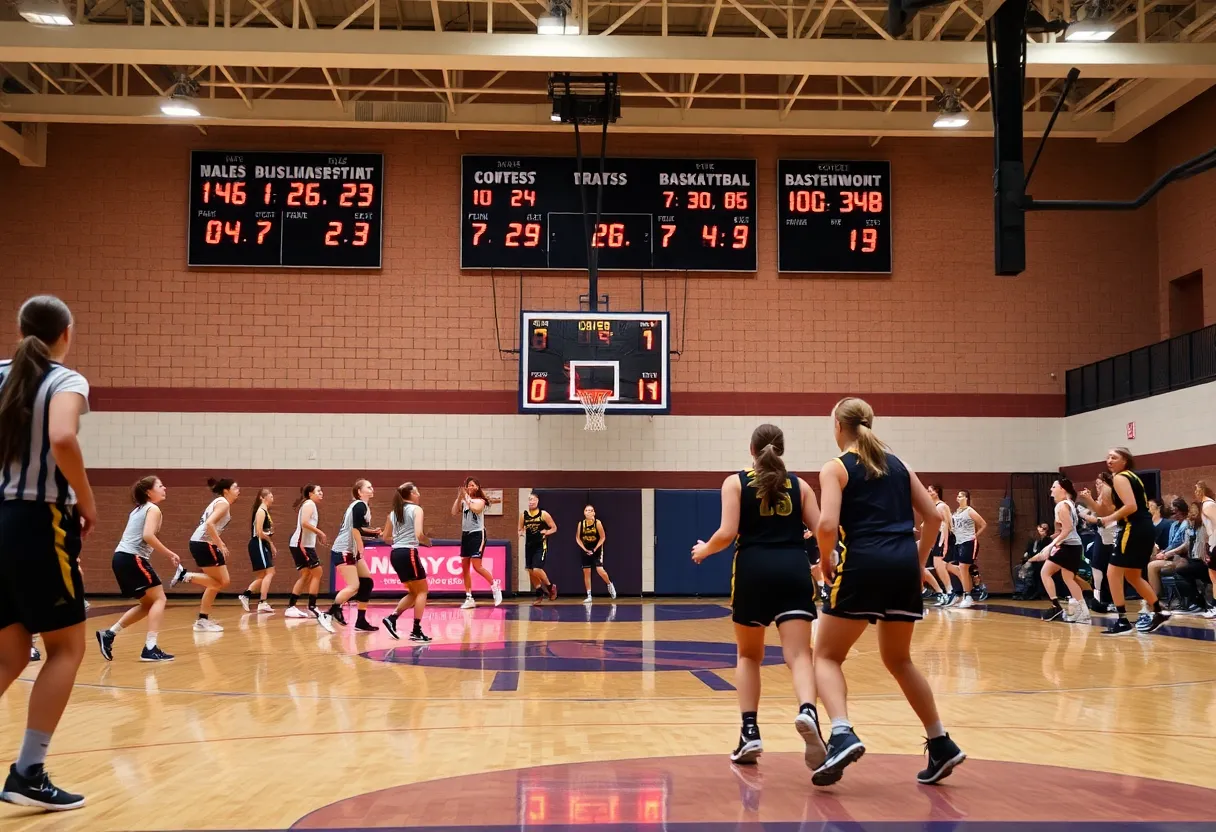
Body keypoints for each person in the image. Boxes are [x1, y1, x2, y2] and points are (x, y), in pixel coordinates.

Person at [812, 397, 964, 787]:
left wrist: (825, 558)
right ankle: (940, 741)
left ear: (837, 425)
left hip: (862, 563)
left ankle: (842, 732)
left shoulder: (835, 467)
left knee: (826, 655)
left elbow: (827, 524)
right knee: (900, 660)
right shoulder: (899, 465)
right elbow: (932, 516)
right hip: (900, 565)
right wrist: (918, 561)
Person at [0, 295, 93, 811]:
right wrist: (86, 497)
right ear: (67, 332)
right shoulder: (65, 381)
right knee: (65, 648)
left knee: (11, 654)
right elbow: (62, 436)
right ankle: (28, 772)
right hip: (38, 521)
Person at [691, 424, 826, 772]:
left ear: (751, 450)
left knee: (749, 655)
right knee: (798, 655)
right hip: (794, 569)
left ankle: (749, 731)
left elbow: (727, 532)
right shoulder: (800, 485)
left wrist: (704, 550)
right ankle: (808, 712)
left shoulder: (735, 482)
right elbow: (823, 529)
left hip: (753, 569)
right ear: (781, 450)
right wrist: (829, 563)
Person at [1078, 447, 1168, 635]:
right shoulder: (1132, 477)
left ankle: (1123, 621)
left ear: (1124, 460)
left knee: (1112, 573)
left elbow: (1131, 506)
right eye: (1108, 457)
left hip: (1132, 528)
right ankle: (1159, 611)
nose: (1109, 460)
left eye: (1114, 457)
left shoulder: (1120, 478)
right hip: (1144, 527)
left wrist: (1107, 520)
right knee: (1133, 576)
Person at [96, 476, 181, 663]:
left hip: (121, 558)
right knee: (160, 598)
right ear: (149, 492)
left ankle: (109, 634)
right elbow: (148, 536)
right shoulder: (153, 508)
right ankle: (150, 648)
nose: (164, 487)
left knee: (148, 604)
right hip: (132, 558)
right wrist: (169, 554)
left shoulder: (137, 510)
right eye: (160, 485)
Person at [175, 478, 239, 632]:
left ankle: (202, 620)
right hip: (204, 543)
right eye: (235, 488)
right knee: (223, 581)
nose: (239, 490)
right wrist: (220, 543)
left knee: (215, 583)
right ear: (226, 490)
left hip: (200, 543)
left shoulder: (219, 502)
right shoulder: (223, 503)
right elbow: (209, 524)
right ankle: (185, 575)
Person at [322, 480, 381, 633]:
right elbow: (354, 530)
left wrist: (373, 532)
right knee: (354, 586)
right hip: (344, 549)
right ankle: (328, 613)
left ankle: (360, 621)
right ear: (359, 492)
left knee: (367, 582)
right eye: (368, 486)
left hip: (351, 550)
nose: (371, 488)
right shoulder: (359, 505)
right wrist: (361, 548)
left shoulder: (362, 507)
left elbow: (358, 529)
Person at [1028, 478, 1090, 624]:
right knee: (1068, 578)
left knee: (1045, 572)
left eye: (1054, 487)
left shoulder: (1062, 505)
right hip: (1073, 545)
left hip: (1069, 546)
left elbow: (1068, 529)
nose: (1051, 489)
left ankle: (1056, 606)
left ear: (1062, 489)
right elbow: (1066, 529)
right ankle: (1083, 612)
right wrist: (1054, 537)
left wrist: (1051, 545)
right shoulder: (1070, 504)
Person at [382, 483, 433, 643]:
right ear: (411, 494)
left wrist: (400, 540)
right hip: (408, 552)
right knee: (423, 591)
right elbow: (418, 534)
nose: (419, 495)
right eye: (417, 492)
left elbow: (385, 538)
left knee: (414, 592)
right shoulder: (416, 510)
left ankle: (392, 618)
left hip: (395, 553)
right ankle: (416, 630)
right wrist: (427, 541)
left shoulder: (393, 512)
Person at [453, 478, 502, 609]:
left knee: (476, 565)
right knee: (465, 567)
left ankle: (495, 586)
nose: (470, 487)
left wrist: (466, 498)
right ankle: (469, 597)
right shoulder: (464, 501)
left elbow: (475, 509)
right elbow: (453, 511)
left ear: (478, 487)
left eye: (472, 485)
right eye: (468, 486)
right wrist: (459, 497)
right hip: (465, 535)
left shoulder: (481, 501)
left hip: (477, 534)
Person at [284, 485, 327, 619]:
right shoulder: (309, 504)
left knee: (306, 575)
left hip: (303, 544)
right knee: (317, 572)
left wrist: (315, 536)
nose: (321, 493)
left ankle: (291, 607)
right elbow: (304, 523)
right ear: (310, 493)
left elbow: (307, 526)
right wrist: (320, 533)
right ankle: (312, 607)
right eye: (318, 491)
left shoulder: (310, 504)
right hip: (301, 544)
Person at [1146, 498, 1192, 603]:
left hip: (1182, 558)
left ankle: (1156, 597)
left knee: (1152, 566)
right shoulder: (1174, 525)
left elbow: (1182, 545)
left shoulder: (1186, 524)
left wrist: (1166, 554)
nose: (1173, 514)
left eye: (1174, 511)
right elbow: (1172, 544)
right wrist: (1163, 552)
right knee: (1150, 560)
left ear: (1181, 511)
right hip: (1172, 557)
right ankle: (1155, 595)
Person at [238, 488, 276, 614]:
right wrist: (270, 542)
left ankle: (246, 595)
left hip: (261, 543)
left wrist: (270, 541)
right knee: (270, 572)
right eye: (270, 495)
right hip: (258, 543)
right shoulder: (261, 511)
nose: (272, 498)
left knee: (262, 576)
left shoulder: (265, 511)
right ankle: (262, 602)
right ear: (262, 497)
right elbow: (259, 533)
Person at [949, 490, 986, 608]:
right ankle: (973, 584)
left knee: (963, 568)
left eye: (960, 496)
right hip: (958, 542)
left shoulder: (970, 511)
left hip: (968, 542)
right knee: (958, 568)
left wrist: (976, 535)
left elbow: (983, 524)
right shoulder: (956, 512)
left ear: (966, 498)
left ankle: (968, 595)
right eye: (958, 496)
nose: (958, 498)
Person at [519, 493, 558, 605]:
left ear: (537, 501)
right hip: (529, 545)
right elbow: (520, 529)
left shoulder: (543, 514)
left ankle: (550, 587)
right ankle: (539, 593)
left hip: (540, 545)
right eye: (530, 499)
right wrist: (521, 533)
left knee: (536, 569)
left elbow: (554, 528)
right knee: (530, 571)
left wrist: (547, 532)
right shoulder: (524, 515)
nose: (531, 501)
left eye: (534, 500)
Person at [577, 504, 617, 604]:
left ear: (594, 513)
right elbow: (578, 538)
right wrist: (584, 549)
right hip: (585, 549)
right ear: (584, 512)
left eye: (591, 510)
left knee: (599, 569)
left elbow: (603, 537)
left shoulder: (597, 523)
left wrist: (595, 549)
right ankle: (589, 595)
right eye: (587, 510)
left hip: (596, 549)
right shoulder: (581, 524)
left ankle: (609, 584)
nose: (589, 512)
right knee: (586, 572)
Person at [924, 485, 951, 604]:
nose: (928, 493)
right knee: (938, 567)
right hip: (936, 538)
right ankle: (947, 593)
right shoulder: (933, 506)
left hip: (942, 537)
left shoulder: (941, 506)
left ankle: (950, 592)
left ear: (937, 492)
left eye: (930, 491)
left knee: (940, 567)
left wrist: (943, 542)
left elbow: (946, 524)